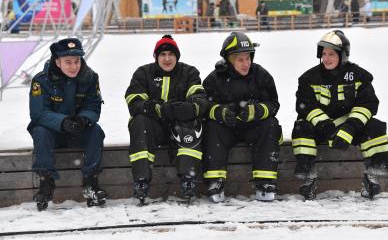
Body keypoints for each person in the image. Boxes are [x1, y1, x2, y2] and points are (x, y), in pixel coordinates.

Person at [291, 30, 388, 201]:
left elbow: (368, 104)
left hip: (349, 125)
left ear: (343, 55)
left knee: (374, 126)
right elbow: (305, 107)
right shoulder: (309, 78)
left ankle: (372, 176)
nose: (326, 58)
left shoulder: (359, 76)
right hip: (320, 126)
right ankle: (308, 177)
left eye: (331, 54)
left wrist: (350, 128)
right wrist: (326, 126)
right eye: (323, 53)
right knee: (301, 127)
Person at [125, 34, 208, 204]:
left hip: (179, 128)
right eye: (163, 55)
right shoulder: (143, 73)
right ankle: (141, 181)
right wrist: (158, 109)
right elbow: (134, 101)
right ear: (156, 57)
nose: (167, 59)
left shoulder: (189, 72)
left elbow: (200, 98)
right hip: (153, 128)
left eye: (171, 54)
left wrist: (187, 108)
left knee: (191, 123)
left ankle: (188, 179)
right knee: (139, 121)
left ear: (177, 56)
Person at [202, 31, 282, 203]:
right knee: (211, 127)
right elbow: (203, 107)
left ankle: (265, 182)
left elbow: (273, 105)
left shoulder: (261, 75)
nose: (246, 63)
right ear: (228, 60)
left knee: (271, 124)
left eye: (248, 58)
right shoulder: (214, 79)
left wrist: (257, 111)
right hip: (226, 130)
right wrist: (220, 113)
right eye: (240, 59)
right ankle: (215, 181)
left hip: (254, 128)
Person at [28, 38, 107, 211]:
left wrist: (84, 119)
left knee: (96, 131)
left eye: (77, 61)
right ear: (57, 61)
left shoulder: (90, 77)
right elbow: (38, 113)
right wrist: (62, 122)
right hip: (52, 133)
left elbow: (93, 105)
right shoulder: (41, 80)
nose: (73, 66)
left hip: (77, 130)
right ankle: (46, 183)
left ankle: (90, 182)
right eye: (68, 62)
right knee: (40, 131)